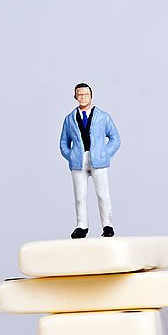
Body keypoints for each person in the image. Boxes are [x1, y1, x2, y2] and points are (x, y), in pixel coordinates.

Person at [59, 83, 121, 239]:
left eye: (85, 94)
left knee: (102, 194)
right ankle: (82, 225)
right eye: (80, 95)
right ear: (75, 97)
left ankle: (107, 224)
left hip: (98, 159)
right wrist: (71, 155)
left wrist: (105, 153)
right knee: (80, 196)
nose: (83, 97)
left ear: (91, 96)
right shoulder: (69, 119)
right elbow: (63, 142)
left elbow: (115, 138)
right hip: (79, 160)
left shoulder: (102, 116)